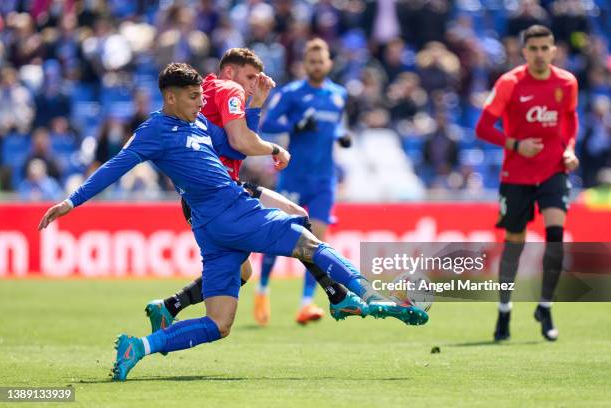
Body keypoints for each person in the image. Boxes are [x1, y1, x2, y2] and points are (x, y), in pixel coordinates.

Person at [37, 63, 429, 381]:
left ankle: (138, 347)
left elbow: (238, 144)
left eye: (201, 97)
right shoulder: (153, 131)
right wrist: (72, 201)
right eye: (192, 98)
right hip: (231, 211)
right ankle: (369, 295)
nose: (199, 103)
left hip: (214, 228)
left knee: (218, 324)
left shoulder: (197, 125)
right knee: (309, 242)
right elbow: (115, 167)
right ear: (169, 97)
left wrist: (255, 105)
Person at [144, 48, 363, 332]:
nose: (252, 84)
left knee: (260, 253)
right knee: (289, 229)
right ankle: (335, 295)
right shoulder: (222, 91)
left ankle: (171, 305)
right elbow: (241, 144)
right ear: (230, 72)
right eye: (250, 77)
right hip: (215, 193)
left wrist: (257, 102)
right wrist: (274, 143)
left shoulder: (211, 94)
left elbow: (243, 141)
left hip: (228, 187)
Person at [475, 25, 579, 342]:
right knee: (514, 245)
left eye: (544, 48)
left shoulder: (567, 82)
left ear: (553, 50)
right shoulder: (510, 83)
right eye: (533, 49)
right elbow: (482, 128)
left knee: (556, 236)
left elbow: (571, 118)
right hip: (517, 174)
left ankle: (545, 307)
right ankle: (504, 310)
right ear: (523, 52)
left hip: (553, 169)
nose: (539, 54)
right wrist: (516, 145)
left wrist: (570, 148)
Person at [256, 38, 353, 325]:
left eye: (321, 61)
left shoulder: (339, 94)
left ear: (329, 64)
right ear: (304, 64)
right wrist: (295, 125)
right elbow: (268, 123)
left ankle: (306, 303)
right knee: (277, 236)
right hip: (294, 176)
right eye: (311, 61)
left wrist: (341, 135)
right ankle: (262, 289)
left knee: (317, 239)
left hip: (324, 178)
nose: (316, 66)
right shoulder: (292, 93)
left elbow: (333, 125)